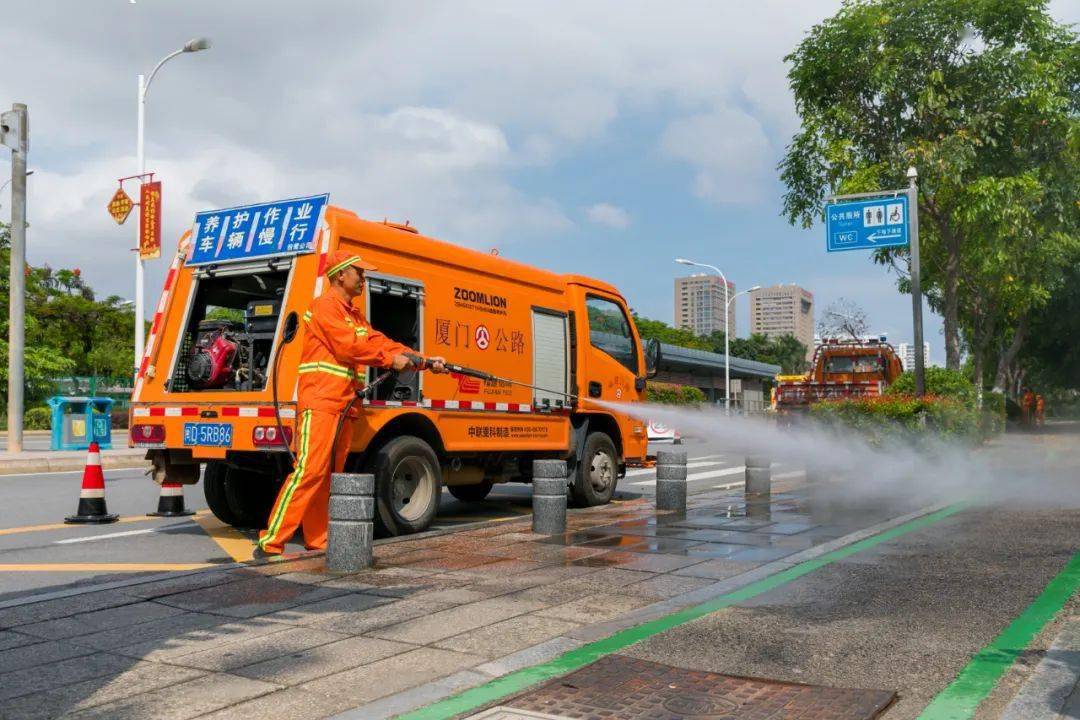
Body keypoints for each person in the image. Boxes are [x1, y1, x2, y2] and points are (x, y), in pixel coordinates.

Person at [255, 250, 447, 558]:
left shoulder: (353, 315)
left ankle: (318, 539)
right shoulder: (325, 307)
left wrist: (423, 360)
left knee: (329, 474)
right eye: (360, 272)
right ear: (341, 275)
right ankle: (272, 540)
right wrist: (389, 360)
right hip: (320, 400)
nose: (364, 277)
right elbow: (349, 347)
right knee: (309, 471)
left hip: (343, 404)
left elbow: (378, 342)